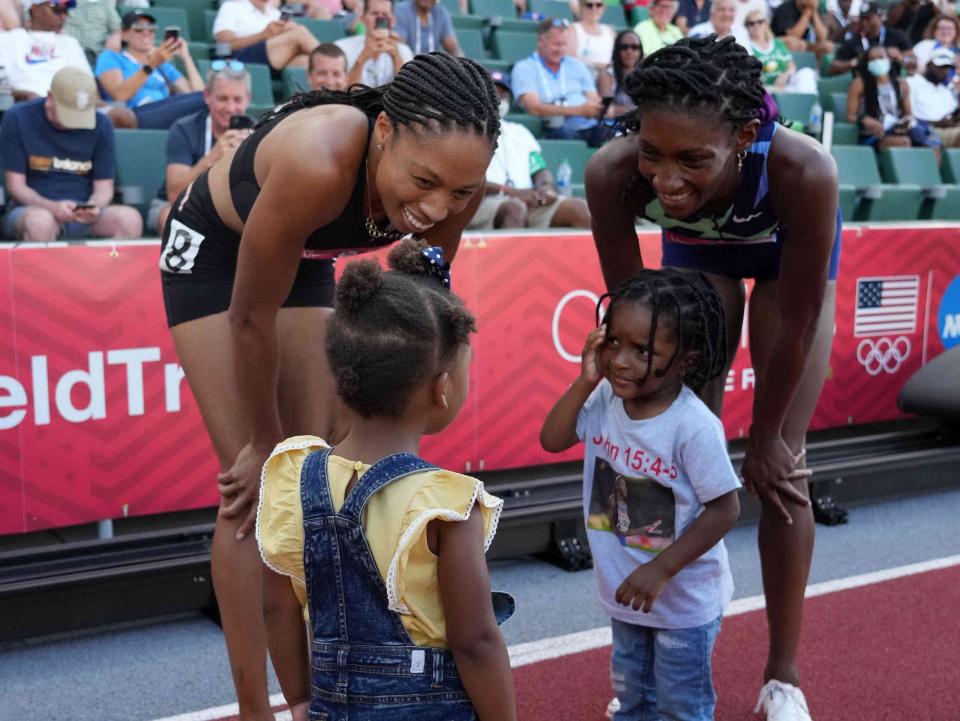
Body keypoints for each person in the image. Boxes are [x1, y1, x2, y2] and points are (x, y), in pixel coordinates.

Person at [156, 52, 499, 721]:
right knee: (253, 490)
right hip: (213, 253)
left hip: (306, 251)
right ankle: (256, 708)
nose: (436, 208)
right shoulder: (319, 161)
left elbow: (421, 305)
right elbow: (248, 315)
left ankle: (318, 691)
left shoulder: (457, 181)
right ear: (384, 135)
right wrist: (261, 441)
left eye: (459, 194)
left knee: (317, 471)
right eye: (424, 183)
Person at [585, 35, 842, 721]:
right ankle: (649, 652)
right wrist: (649, 411)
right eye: (653, 153)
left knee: (784, 464)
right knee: (664, 451)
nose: (665, 180)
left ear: (745, 135)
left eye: (693, 159)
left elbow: (797, 317)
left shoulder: (802, 169)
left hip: (789, 269)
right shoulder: (613, 173)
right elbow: (637, 321)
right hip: (699, 268)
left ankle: (782, 676)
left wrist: (763, 435)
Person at [258, 239, 517, 721]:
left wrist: (298, 700)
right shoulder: (444, 503)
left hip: (331, 703)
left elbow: (276, 607)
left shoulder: (294, 476)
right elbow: (476, 641)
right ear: (442, 389)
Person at [540, 268, 740, 721]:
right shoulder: (604, 400)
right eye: (613, 342)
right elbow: (552, 439)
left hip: (681, 600)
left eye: (642, 350)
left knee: (679, 706)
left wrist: (661, 570)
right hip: (626, 592)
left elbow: (725, 509)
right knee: (633, 700)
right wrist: (586, 381)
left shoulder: (693, 426)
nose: (621, 361)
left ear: (685, 361)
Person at [0, 67, 143, 241]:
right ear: (50, 98)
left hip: (83, 210)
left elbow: (104, 188)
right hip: (32, 208)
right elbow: (16, 186)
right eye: (67, 114)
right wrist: (52, 207)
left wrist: (93, 206)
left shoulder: (101, 124)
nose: (73, 123)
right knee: (39, 222)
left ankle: (105, 269)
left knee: (129, 220)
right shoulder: (19, 118)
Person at [469, 71, 591, 230]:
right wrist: (511, 192)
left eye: (503, 95)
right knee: (515, 209)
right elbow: (467, 182)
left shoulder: (519, 131)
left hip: (526, 200)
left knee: (579, 208)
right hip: (483, 202)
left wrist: (545, 186)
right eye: (492, 92)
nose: (498, 99)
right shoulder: (466, 130)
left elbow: (539, 168)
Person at [148, 63, 254, 235]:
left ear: (248, 99)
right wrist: (212, 158)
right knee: (172, 217)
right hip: (184, 204)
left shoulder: (257, 132)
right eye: (222, 98)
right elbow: (174, 194)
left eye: (237, 99)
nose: (230, 108)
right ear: (207, 96)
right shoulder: (184, 129)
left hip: (231, 207)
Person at [95, 11, 206, 130]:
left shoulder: (162, 64)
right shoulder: (111, 57)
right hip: (134, 115)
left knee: (211, 101)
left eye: (151, 29)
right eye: (138, 29)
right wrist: (151, 65)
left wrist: (186, 57)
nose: (146, 33)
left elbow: (198, 93)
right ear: (124, 34)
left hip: (165, 110)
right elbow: (120, 95)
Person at [511, 18, 603, 144]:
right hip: (554, 129)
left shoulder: (577, 65)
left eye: (564, 44)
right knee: (569, 132)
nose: (560, 50)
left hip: (588, 125)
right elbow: (533, 107)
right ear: (540, 41)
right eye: (556, 44)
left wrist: (594, 109)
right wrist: (579, 110)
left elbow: (594, 100)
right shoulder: (524, 67)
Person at [847, 45, 941, 157]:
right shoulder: (859, 84)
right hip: (875, 134)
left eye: (881, 58)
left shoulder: (902, 84)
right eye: (872, 60)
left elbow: (908, 114)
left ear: (889, 60)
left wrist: (905, 122)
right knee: (902, 142)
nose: (877, 62)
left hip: (898, 129)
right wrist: (865, 119)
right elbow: (850, 116)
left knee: (932, 144)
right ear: (867, 64)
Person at [0, 0, 91, 102]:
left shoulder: (70, 43)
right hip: (24, 107)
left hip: (68, 106)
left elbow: (87, 84)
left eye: (65, 11)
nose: (63, 16)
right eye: (57, 10)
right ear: (35, 8)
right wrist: (23, 95)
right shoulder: (8, 40)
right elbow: (2, 87)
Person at [213, 0, 321, 71]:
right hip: (241, 58)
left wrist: (289, 30)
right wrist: (263, 35)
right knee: (300, 32)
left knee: (305, 61)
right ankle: (335, 63)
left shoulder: (275, 13)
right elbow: (224, 44)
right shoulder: (232, 7)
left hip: (276, 60)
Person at [335, 0, 414, 87]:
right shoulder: (342, 48)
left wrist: (395, 56)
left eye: (385, 15)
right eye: (374, 13)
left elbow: (406, 90)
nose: (380, 18)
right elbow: (343, 91)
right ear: (363, 18)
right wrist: (363, 57)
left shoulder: (404, 50)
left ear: (393, 21)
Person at [828, 1, 912, 75]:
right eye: (862, 19)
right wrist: (853, 62)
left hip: (893, 80)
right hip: (864, 84)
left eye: (868, 18)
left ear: (880, 17)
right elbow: (833, 68)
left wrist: (901, 58)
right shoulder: (854, 41)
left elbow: (913, 62)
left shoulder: (897, 36)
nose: (864, 23)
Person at [746, 10, 818, 93]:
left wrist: (786, 75)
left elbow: (791, 65)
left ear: (766, 24)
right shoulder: (748, 47)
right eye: (751, 23)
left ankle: (808, 103)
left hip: (786, 85)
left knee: (806, 73)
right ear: (746, 27)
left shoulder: (777, 43)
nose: (756, 25)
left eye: (760, 22)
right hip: (767, 89)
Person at [906, 46, 960, 147]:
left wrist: (954, 120)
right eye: (940, 67)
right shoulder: (911, 83)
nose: (944, 71)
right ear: (929, 64)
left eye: (947, 68)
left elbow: (951, 117)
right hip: (926, 132)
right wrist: (936, 123)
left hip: (949, 130)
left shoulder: (946, 91)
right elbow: (908, 118)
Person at [597, 30, 643, 118]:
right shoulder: (607, 75)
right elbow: (607, 109)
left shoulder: (646, 74)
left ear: (640, 51)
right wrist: (638, 111)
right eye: (624, 47)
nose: (629, 51)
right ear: (617, 50)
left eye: (634, 47)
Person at [63, 0, 122, 66]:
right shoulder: (68, 2)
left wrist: (116, 37)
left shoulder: (105, 3)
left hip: (96, 53)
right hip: (69, 52)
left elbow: (117, 27)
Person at [568, 0, 617, 79]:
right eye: (589, 5)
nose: (594, 8)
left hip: (611, 77)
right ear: (581, 7)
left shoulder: (609, 30)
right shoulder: (573, 29)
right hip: (584, 76)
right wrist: (595, 65)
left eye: (598, 5)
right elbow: (570, 60)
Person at [394, 0, 462, 56]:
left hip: (433, 68)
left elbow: (454, 49)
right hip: (407, 68)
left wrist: (462, 66)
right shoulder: (401, 10)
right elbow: (400, 50)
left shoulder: (441, 13)